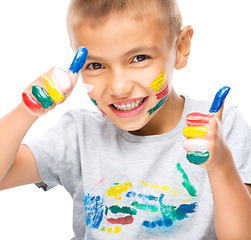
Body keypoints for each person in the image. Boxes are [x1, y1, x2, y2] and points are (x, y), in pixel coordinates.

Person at [0, 0, 251, 239]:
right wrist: (27, 110)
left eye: (139, 58)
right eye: (95, 65)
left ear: (180, 48)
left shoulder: (219, 127)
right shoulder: (79, 134)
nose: (118, 87)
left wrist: (221, 164)